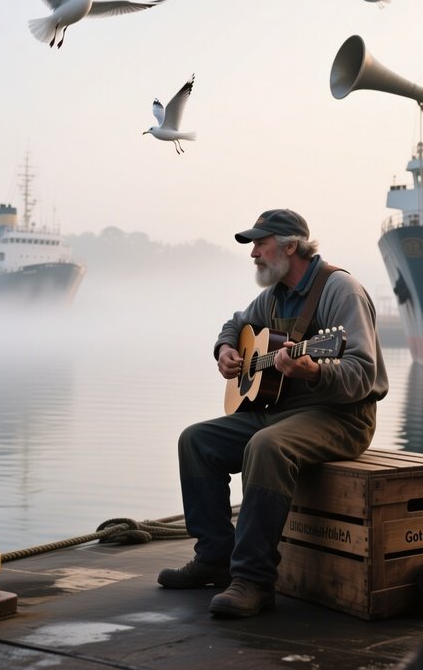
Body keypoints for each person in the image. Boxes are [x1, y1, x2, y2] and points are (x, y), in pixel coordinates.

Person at [158, 209, 388, 618]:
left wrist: (314, 370)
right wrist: (225, 350)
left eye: (259, 244)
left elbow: (364, 375)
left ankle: (253, 580)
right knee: (196, 440)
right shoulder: (275, 295)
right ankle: (214, 558)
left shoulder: (341, 290)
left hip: (342, 418)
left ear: (290, 246)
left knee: (266, 447)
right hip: (282, 412)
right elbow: (236, 323)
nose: (253, 254)